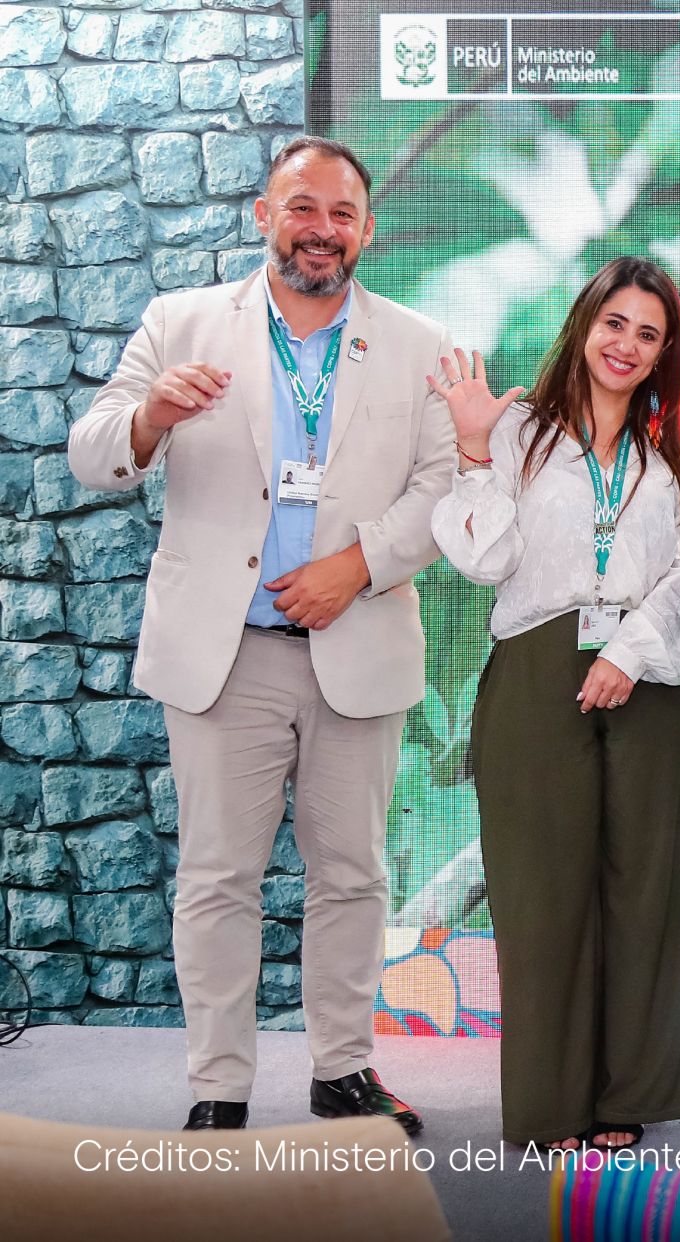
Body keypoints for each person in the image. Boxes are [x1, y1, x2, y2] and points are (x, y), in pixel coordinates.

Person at [67, 136, 451, 1134]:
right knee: (218, 878)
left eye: (341, 214)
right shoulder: (181, 322)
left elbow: (447, 486)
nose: (321, 230)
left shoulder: (418, 345)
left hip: (354, 645)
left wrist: (356, 565)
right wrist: (149, 415)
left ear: (366, 230)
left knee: (354, 874)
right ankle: (218, 1086)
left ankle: (342, 1072)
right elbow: (93, 453)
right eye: (303, 207)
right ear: (262, 214)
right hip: (222, 655)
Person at [429, 257, 680, 1153]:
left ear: (666, 353)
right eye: (615, 323)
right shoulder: (514, 431)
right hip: (536, 671)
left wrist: (627, 654)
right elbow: (481, 560)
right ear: (584, 325)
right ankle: (550, 1106)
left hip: (650, 676)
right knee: (542, 899)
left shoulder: (673, 456)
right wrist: (474, 450)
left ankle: (629, 1094)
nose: (627, 345)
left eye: (649, 333)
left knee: (648, 895)